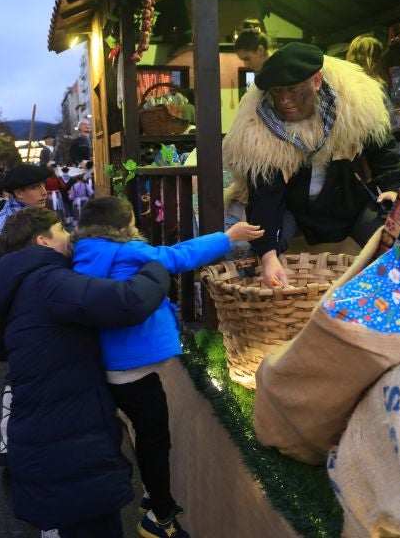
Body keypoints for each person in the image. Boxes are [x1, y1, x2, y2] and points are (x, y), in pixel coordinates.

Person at [71, 197, 262, 537]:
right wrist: (227, 236)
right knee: (155, 438)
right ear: (122, 227)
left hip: (107, 364)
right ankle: (159, 517)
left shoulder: (81, 256)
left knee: (139, 432)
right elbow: (178, 256)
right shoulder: (127, 252)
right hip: (135, 368)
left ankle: (150, 492)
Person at [0, 206, 172, 538]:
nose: (70, 235)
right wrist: (157, 267)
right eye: (61, 230)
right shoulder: (49, 281)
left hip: (49, 426)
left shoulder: (23, 281)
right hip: (67, 437)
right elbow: (127, 301)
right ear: (43, 241)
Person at [222, 41, 400, 288]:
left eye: (293, 90)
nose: (284, 100)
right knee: (251, 248)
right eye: (277, 92)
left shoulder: (356, 107)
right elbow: (264, 195)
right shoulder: (259, 131)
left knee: (394, 241)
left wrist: (390, 187)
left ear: (316, 81)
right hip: (293, 208)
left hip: (350, 203)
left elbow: (385, 153)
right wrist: (268, 255)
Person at [0, 164, 52, 467]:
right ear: (18, 192)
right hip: (22, 316)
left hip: (21, 315)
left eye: (43, 185)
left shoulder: (9, 218)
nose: (44, 192)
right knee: (22, 381)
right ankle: (13, 444)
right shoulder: (15, 227)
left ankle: (13, 443)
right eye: (36, 187)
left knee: (22, 380)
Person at [346, 34, 400, 129]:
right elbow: (381, 125)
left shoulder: (345, 84)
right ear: (373, 61)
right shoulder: (373, 86)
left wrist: (394, 112)